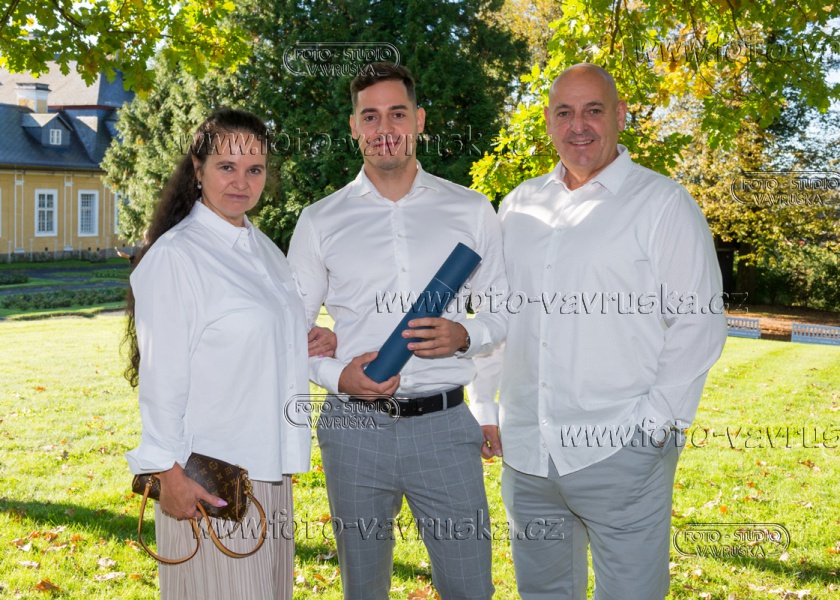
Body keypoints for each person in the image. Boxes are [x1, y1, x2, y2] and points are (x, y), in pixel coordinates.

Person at [470, 63, 728, 599]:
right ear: (548, 121)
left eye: (593, 110)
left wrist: (653, 429)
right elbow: (500, 313)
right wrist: (486, 407)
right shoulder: (518, 205)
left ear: (620, 115)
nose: (578, 126)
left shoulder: (662, 204)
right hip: (527, 451)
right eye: (565, 112)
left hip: (620, 449)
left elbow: (698, 323)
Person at [287, 62, 508, 600]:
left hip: (444, 427)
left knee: (470, 586)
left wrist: (465, 336)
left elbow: (505, 312)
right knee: (363, 588)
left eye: (397, 114)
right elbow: (287, 331)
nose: (384, 127)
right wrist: (337, 375)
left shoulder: (470, 209)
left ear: (419, 120)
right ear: (353, 126)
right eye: (370, 116)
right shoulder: (320, 220)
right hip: (353, 429)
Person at [123, 108, 335, 600]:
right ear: (198, 170)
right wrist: (167, 473)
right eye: (226, 167)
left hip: (268, 471)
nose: (241, 182)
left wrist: (308, 341)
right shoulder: (178, 256)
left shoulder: (264, 250)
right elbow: (161, 378)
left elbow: (259, 338)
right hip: (209, 479)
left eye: (254, 169)